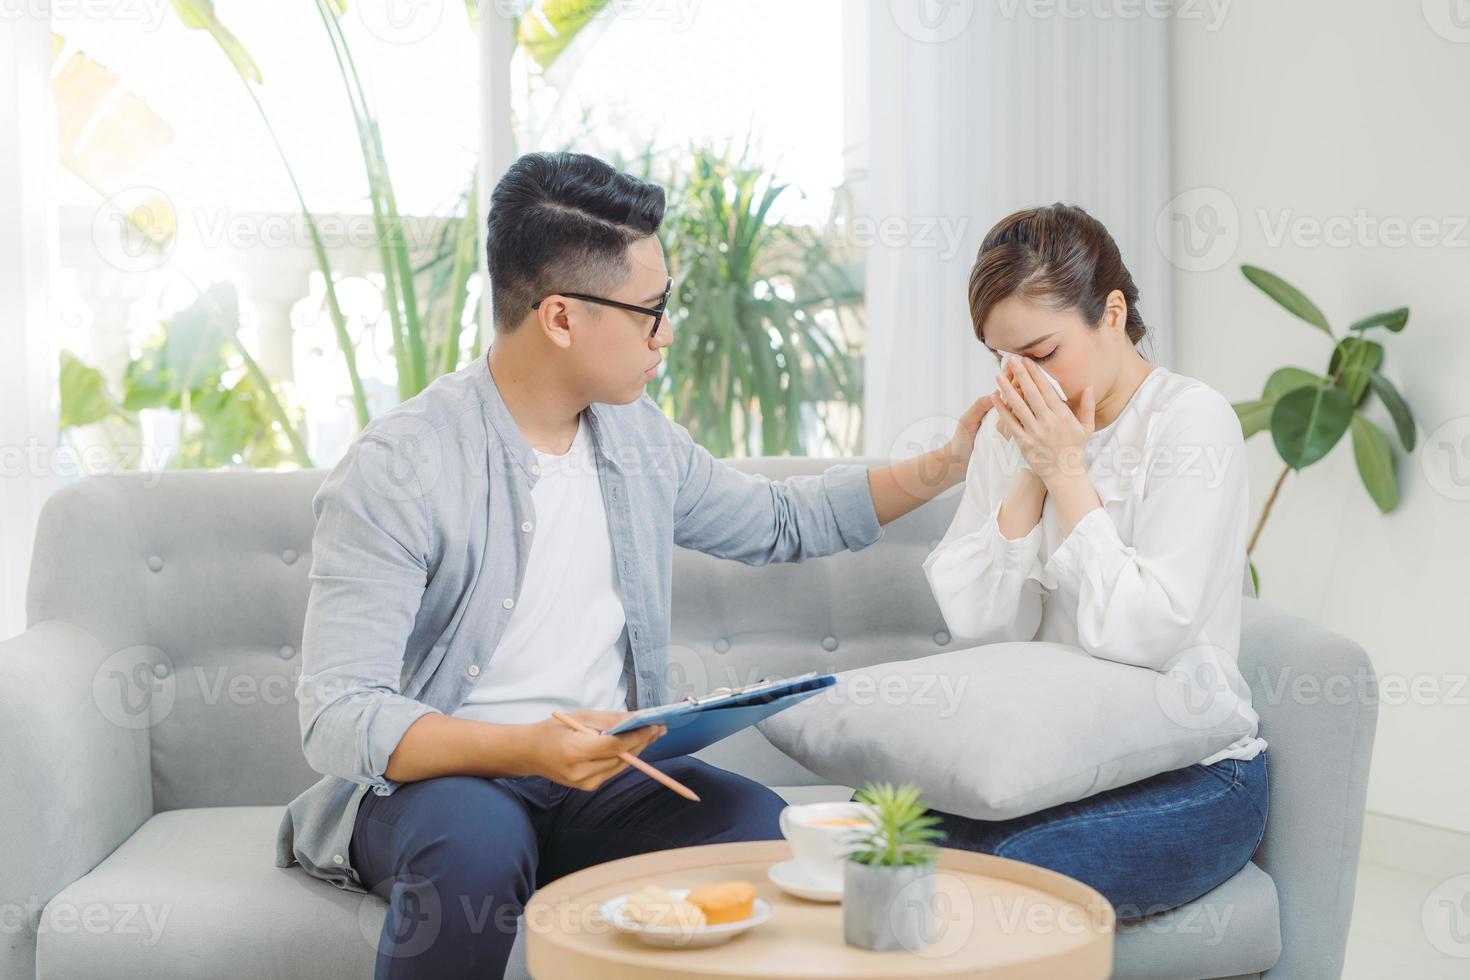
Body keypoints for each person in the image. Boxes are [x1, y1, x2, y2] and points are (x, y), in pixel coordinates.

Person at [274, 151, 991, 978]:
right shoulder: (401, 466)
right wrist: (527, 749)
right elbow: (337, 714)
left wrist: (947, 463)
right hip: (442, 788)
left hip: (603, 777)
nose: (667, 334)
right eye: (651, 311)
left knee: (754, 832)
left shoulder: (638, 441)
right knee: (475, 848)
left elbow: (783, 520)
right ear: (560, 318)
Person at [918, 203, 1269, 918]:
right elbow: (980, 628)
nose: (1021, 381)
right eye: (1000, 359)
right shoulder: (1011, 434)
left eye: (1042, 353)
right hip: (1050, 758)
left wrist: (1069, 475)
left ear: (1111, 314)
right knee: (875, 834)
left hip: (1190, 772)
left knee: (985, 887)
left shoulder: (1190, 422)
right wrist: (1034, 469)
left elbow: (1147, 634)